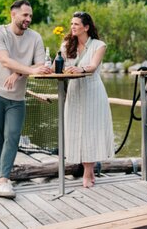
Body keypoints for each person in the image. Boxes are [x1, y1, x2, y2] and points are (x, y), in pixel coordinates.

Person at [0, 0, 51, 198]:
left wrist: (18, 74)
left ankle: (3, 180)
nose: (28, 19)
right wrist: (26, 69)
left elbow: (40, 65)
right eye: (25, 15)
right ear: (13, 14)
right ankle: (2, 178)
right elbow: (3, 59)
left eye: (30, 16)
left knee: (12, 136)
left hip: (17, 96)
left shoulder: (35, 37)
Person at [60, 11, 114, 188]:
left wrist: (80, 69)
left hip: (92, 91)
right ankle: (86, 169)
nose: (72, 27)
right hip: (75, 91)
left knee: (91, 130)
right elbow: (58, 65)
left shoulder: (99, 45)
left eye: (76, 24)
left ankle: (88, 171)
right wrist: (49, 66)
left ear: (86, 27)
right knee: (75, 129)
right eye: (71, 24)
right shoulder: (67, 44)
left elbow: (92, 66)